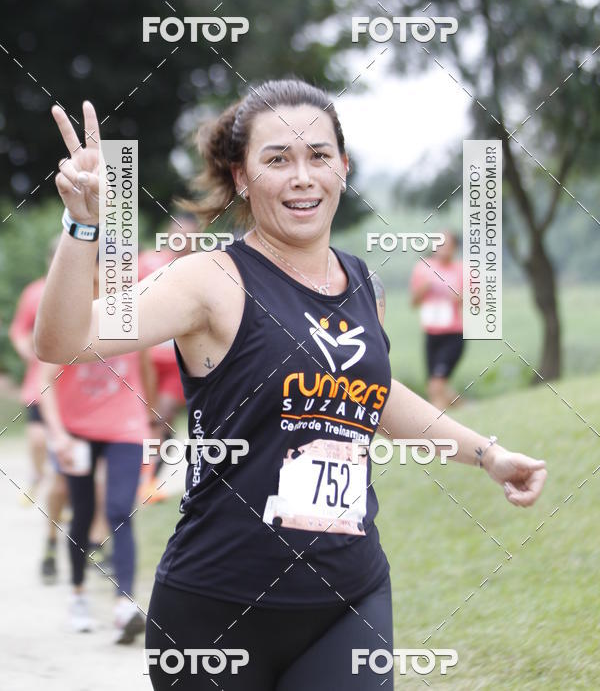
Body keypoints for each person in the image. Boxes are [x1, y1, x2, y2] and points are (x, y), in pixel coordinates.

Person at [34, 83, 547, 689]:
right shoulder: (209, 280)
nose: (302, 176)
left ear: (343, 168)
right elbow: (63, 341)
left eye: (319, 156)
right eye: (277, 159)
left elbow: (376, 397)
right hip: (217, 608)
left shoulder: (363, 284)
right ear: (243, 177)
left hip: (348, 597)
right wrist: (83, 226)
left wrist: (486, 454)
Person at [37, 255, 155, 643]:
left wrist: (150, 418)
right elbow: (44, 381)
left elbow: (147, 369)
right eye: (98, 272)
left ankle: (124, 605)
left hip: (125, 427)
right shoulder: (68, 320)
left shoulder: (131, 317)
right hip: (77, 430)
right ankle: (78, 595)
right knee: (83, 512)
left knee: (120, 509)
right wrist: (59, 436)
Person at [9, 238, 69, 582]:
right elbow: (19, 330)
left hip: (75, 394)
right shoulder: (35, 292)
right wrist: (26, 350)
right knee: (35, 439)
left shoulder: (88, 291)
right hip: (41, 383)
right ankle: (37, 476)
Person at [137, 215, 198, 503]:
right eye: (178, 234)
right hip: (143, 356)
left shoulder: (201, 268)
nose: (182, 241)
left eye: (188, 236)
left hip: (177, 359)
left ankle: (147, 481)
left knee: (161, 417)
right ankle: (135, 475)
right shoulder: (146, 263)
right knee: (141, 417)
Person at [410, 231, 465, 410]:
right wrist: (424, 288)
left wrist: (459, 296)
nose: (441, 249)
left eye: (446, 244)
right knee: (436, 386)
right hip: (431, 333)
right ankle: (466, 409)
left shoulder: (462, 270)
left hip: (454, 334)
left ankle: (436, 427)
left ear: (454, 248)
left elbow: (475, 303)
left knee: (436, 386)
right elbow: (414, 302)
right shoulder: (423, 268)